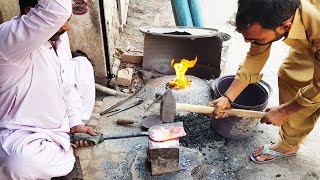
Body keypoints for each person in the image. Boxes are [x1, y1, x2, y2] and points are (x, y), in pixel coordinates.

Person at [209, 0, 320, 163]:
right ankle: (289, 145)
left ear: (286, 26)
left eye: (256, 38)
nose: (248, 42)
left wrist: (285, 111)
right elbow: (256, 56)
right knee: (291, 76)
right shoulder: (271, 11)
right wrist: (228, 98)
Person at [0, 0, 96, 179]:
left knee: (82, 66)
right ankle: (64, 152)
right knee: (20, 163)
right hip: (21, 133)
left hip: (59, 126)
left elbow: (66, 84)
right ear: (30, 12)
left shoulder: (58, 37)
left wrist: (75, 123)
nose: (67, 28)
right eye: (61, 22)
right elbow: (57, 8)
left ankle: (65, 145)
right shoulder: (8, 39)